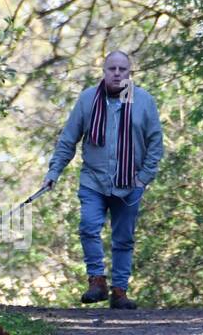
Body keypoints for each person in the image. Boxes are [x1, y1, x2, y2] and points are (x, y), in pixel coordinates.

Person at [41, 50, 163, 308]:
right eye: (112, 69)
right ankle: (97, 281)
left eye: (122, 69)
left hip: (130, 183)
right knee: (88, 226)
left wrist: (144, 178)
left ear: (130, 73)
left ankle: (120, 292)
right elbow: (68, 139)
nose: (117, 73)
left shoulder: (143, 101)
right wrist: (54, 172)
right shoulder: (88, 99)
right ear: (104, 71)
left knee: (123, 239)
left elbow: (155, 143)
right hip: (93, 181)